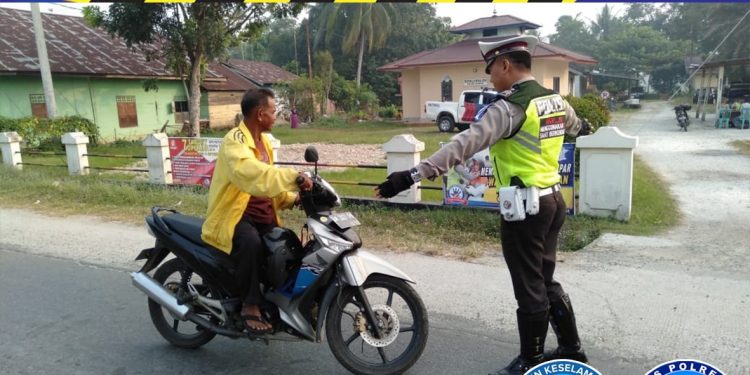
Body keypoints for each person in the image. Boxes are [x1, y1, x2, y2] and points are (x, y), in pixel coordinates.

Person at [375, 35, 590, 375]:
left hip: (526, 208)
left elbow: (466, 142)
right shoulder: (555, 101)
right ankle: (571, 349)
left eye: (491, 70)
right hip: (552, 200)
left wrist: (413, 174)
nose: (491, 78)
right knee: (545, 279)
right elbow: (578, 127)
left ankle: (530, 361)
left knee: (529, 285)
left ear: (505, 65)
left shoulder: (511, 107)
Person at [201, 88, 312, 335]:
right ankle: (249, 306)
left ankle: (275, 298)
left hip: (262, 214)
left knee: (284, 246)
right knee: (251, 243)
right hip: (235, 215)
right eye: (273, 112)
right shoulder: (235, 141)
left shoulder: (263, 143)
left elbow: (266, 184)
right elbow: (251, 174)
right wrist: (294, 177)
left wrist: (293, 199)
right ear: (260, 114)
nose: (276, 116)